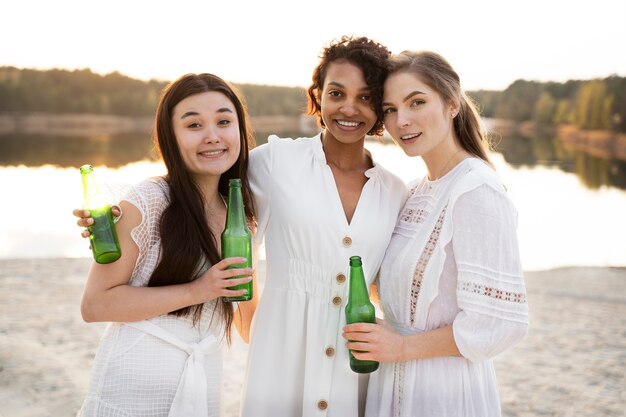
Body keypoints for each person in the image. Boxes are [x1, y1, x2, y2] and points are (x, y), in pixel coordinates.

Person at [342, 50, 529, 417]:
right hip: (391, 381)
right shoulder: (412, 192)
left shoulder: (475, 190)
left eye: (417, 102)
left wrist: (401, 348)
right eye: (391, 109)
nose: (402, 121)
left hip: (444, 390)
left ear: (452, 105)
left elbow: (500, 323)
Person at [240, 36, 406, 417]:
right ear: (317, 95)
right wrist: (125, 211)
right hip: (280, 363)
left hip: (357, 367)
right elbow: (204, 201)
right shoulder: (275, 161)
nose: (350, 108)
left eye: (366, 97)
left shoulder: (395, 192)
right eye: (337, 93)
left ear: (381, 106)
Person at [74, 73, 257, 417]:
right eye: (194, 125)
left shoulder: (242, 217)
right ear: (170, 137)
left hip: (202, 382)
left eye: (223, 121)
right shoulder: (150, 200)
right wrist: (199, 290)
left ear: (240, 130)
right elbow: (95, 305)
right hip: (132, 389)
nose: (213, 136)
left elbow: (248, 323)